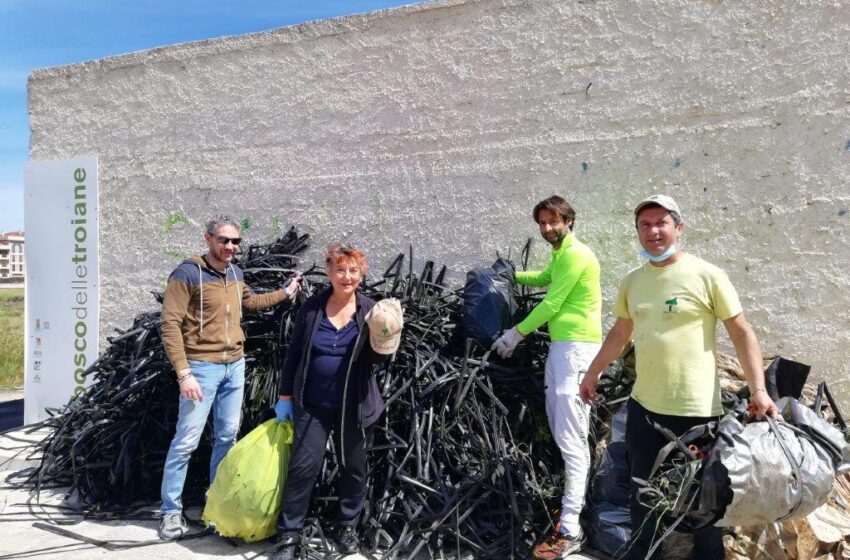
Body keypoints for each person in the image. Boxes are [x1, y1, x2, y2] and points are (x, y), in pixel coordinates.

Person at [579, 194, 779, 560]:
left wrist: (759, 390)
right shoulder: (632, 281)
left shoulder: (708, 275)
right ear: (637, 231)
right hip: (644, 412)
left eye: (661, 222)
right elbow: (621, 334)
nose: (653, 231)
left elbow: (741, 332)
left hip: (697, 414)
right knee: (643, 504)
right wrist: (593, 372)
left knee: (704, 510)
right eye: (645, 224)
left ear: (678, 227)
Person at [158, 216, 300, 540]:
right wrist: (184, 374)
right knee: (187, 441)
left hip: (234, 366)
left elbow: (248, 303)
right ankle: (169, 512)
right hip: (201, 369)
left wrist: (285, 292)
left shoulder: (236, 273)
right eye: (223, 240)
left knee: (226, 438)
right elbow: (169, 325)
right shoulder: (187, 274)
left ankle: (215, 504)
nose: (230, 247)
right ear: (208, 238)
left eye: (235, 241)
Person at [272, 242, 402, 560]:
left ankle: (347, 526)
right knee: (303, 469)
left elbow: (378, 360)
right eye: (340, 269)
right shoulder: (312, 308)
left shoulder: (370, 309)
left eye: (353, 270)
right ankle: (289, 535)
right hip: (312, 406)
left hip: (354, 408)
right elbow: (294, 356)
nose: (346, 276)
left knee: (354, 469)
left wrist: (386, 333)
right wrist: (285, 396)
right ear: (329, 271)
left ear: (362, 272)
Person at [491, 195, 602, 559]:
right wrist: (509, 274)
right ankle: (569, 514)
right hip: (562, 349)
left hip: (577, 351)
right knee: (561, 430)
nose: (547, 229)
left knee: (572, 440)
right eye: (541, 223)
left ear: (569, 220)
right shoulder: (561, 255)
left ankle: (571, 529)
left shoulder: (576, 254)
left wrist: (516, 334)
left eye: (553, 221)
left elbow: (552, 302)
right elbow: (541, 278)